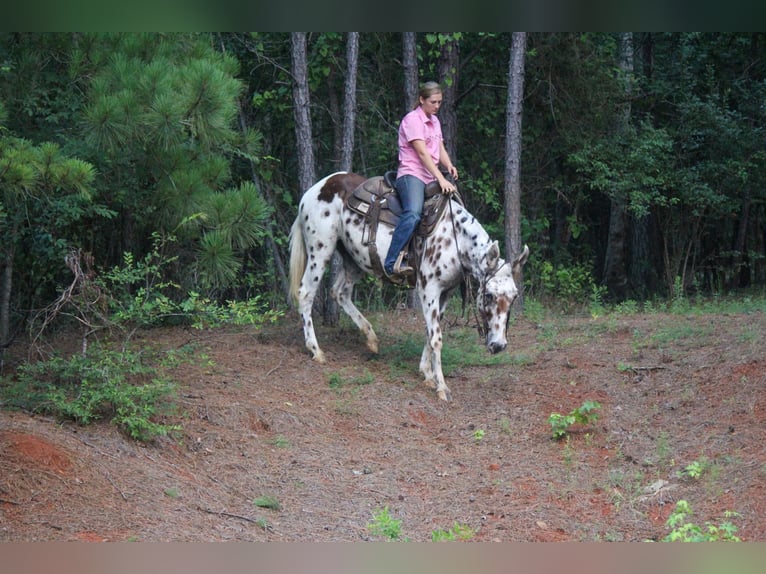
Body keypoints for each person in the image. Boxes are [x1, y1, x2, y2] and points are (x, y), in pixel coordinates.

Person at [384, 81, 459, 279]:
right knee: (414, 213)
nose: (436, 106)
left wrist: (448, 164)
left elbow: (439, 147)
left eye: (440, 102)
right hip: (412, 174)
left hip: (429, 175)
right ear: (421, 100)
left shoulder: (434, 121)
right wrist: (442, 179)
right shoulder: (412, 120)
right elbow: (423, 154)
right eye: (433, 102)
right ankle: (391, 262)